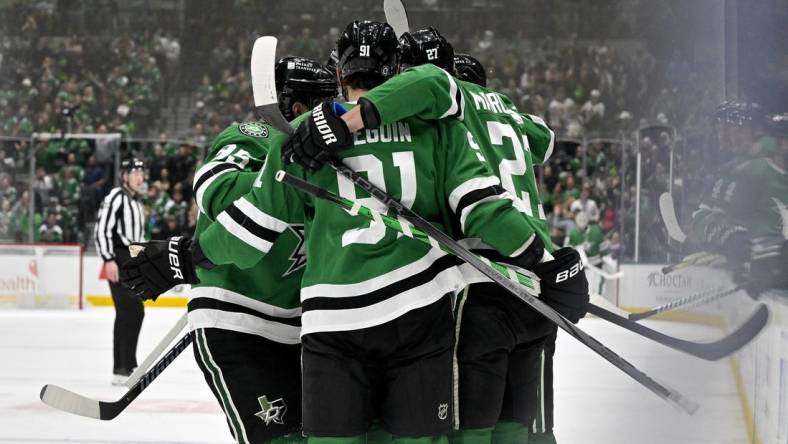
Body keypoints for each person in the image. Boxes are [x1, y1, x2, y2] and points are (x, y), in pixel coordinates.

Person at [122, 20, 549, 443]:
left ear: (342, 76)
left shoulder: (305, 141)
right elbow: (481, 206)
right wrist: (543, 260)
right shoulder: (430, 129)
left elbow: (246, 229)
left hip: (324, 319)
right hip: (305, 315)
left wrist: (194, 255)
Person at [318, 30, 587, 444]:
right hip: (535, 284)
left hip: (482, 276)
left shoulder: (439, 102)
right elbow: (546, 142)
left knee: (467, 431)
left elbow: (427, 88)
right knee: (525, 429)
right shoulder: (510, 110)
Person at [184, 56, 336, 444]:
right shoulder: (253, 134)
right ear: (299, 109)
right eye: (329, 104)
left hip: (303, 326)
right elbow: (213, 189)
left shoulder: (340, 160)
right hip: (239, 319)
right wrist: (283, 179)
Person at [691, 109, 788, 298]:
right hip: (766, 293)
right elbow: (705, 218)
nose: (729, 136)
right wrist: (729, 237)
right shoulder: (752, 173)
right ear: (780, 142)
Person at [94, 158, 147, 385]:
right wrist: (108, 258)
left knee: (133, 311)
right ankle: (122, 367)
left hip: (131, 261)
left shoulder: (136, 202)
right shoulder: (116, 196)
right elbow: (102, 228)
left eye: (141, 172)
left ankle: (126, 366)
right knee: (130, 310)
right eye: (134, 172)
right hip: (119, 258)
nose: (139, 176)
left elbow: (137, 238)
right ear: (124, 176)